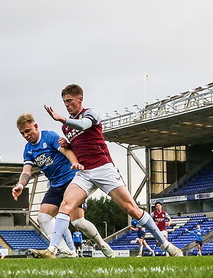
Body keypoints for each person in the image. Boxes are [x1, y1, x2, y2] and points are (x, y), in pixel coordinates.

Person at [32, 84, 183, 258]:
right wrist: (68, 145)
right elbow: (81, 143)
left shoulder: (90, 113)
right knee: (66, 206)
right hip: (84, 172)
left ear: (80, 99)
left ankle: (166, 245)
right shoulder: (66, 128)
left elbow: (83, 125)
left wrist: (62, 119)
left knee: (131, 208)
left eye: (69, 101)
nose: (67, 105)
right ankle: (52, 250)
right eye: (64, 102)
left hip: (103, 168)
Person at [13, 113, 115, 258]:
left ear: (35, 126)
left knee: (78, 222)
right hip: (55, 185)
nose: (26, 135)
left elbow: (66, 150)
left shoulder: (50, 137)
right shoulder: (28, 149)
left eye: (28, 131)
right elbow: (27, 171)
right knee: (43, 217)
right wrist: (20, 185)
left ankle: (102, 244)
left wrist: (74, 162)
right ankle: (65, 251)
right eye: (22, 133)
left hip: (72, 181)